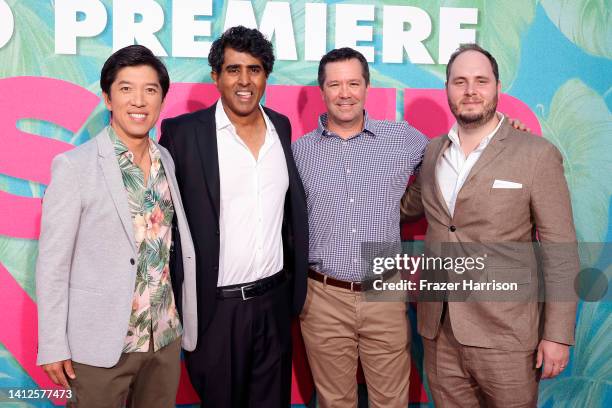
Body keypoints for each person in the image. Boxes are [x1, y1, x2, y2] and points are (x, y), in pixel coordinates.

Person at [401, 43, 578, 407]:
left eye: (481, 81)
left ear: (497, 87)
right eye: (459, 81)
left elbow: (561, 251)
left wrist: (558, 335)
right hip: (440, 333)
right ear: (447, 89)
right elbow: (405, 208)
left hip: (507, 335)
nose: (470, 91)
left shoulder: (535, 154)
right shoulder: (433, 152)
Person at [36, 44, 197, 407]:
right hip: (101, 345)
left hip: (164, 339)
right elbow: (52, 264)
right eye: (126, 89)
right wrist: (52, 344)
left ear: (161, 99)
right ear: (108, 99)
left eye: (150, 90)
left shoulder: (165, 160)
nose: (138, 100)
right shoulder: (74, 166)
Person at [159, 26, 308, 407]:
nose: (244, 80)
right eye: (233, 69)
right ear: (215, 76)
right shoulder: (183, 134)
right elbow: (163, 221)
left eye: (254, 69)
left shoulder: (281, 127)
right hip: (216, 311)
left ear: (266, 75)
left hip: (274, 305)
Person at [291, 47, 429, 408]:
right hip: (323, 296)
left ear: (367, 87)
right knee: (335, 401)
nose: (345, 93)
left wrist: (506, 129)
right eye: (334, 84)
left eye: (353, 83)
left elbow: (452, 157)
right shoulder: (300, 151)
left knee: (390, 401)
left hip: (383, 289)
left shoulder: (402, 138)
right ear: (322, 91)